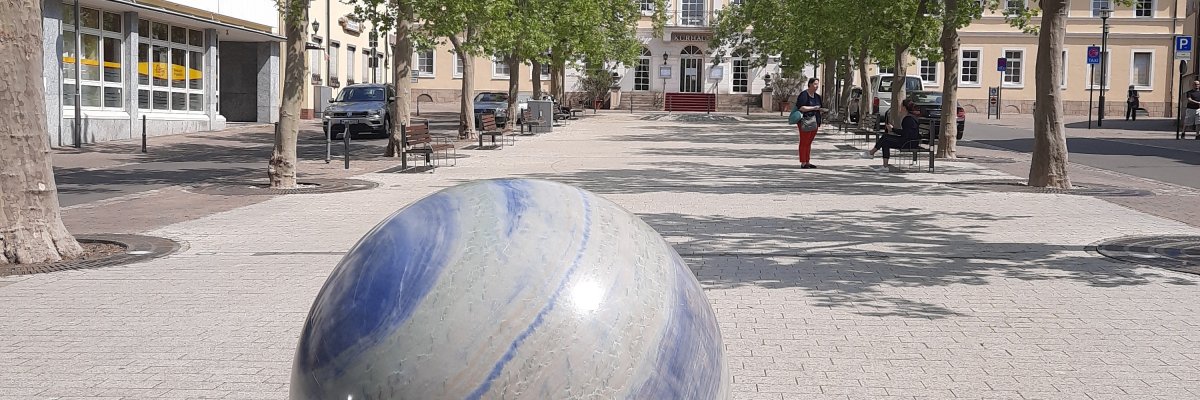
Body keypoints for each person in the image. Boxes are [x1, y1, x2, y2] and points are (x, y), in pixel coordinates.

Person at [860, 99, 922, 165]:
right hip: (909, 141)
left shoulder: (908, 119)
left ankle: (871, 153)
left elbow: (906, 133)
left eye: (901, 106)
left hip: (908, 143)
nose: (900, 107)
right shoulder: (910, 117)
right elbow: (907, 133)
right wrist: (893, 129)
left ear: (904, 107)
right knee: (885, 140)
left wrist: (893, 129)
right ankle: (883, 165)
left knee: (885, 138)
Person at [794, 78, 823, 168]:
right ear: (810, 84)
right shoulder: (804, 95)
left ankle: (807, 161)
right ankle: (803, 162)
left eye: (817, 84)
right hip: (805, 121)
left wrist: (822, 110)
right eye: (815, 84)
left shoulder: (818, 97)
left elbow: (819, 107)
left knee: (809, 142)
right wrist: (813, 108)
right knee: (804, 141)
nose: (816, 86)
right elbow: (801, 107)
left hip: (815, 121)